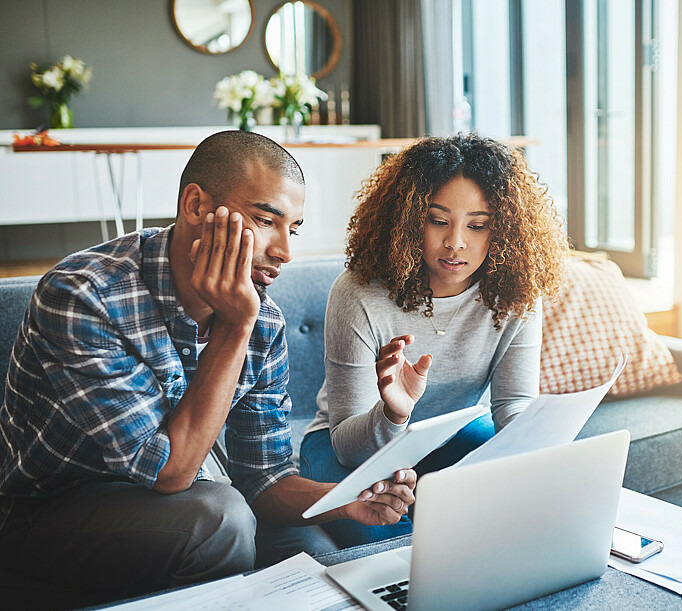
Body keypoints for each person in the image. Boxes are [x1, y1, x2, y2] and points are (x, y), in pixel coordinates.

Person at [0, 131, 416, 608]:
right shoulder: (84, 297)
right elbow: (169, 472)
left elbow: (264, 477)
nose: (284, 251)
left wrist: (347, 498)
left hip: (190, 499)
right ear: (196, 205)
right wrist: (235, 326)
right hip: (44, 511)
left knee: (322, 564)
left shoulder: (264, 320)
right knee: (222, 520)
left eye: (294, 229)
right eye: (265, 220)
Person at [300, 133, 568, 547]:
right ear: (408, 219)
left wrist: (535, 451)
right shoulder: (359, 294)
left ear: (505, 230)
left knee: (520, 513)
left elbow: (514, 406)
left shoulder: (517, 292)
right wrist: (392, 413)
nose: (455, 242)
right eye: (438, 220)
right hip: (346, 448)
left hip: (449, 433)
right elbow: (347, 444)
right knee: (395, 544)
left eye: (477, 225)